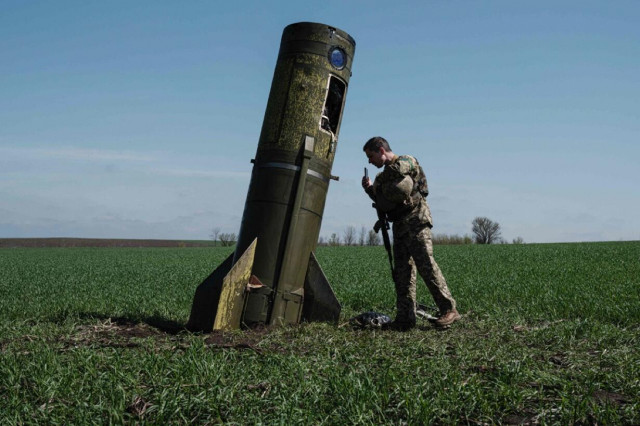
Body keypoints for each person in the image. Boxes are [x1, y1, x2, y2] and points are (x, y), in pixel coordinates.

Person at [361, 136, 460, 330]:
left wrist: (380, 183)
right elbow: (382, 200)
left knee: (426, 266)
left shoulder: (406, 160)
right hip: (399, 224)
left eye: (371, 156)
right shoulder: (382, 177)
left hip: (416, 220)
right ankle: (405, 318)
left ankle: (449, 310)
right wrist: (371, 190)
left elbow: (399, 170)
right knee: (403, 273)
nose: (369, 161)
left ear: (381, 150)